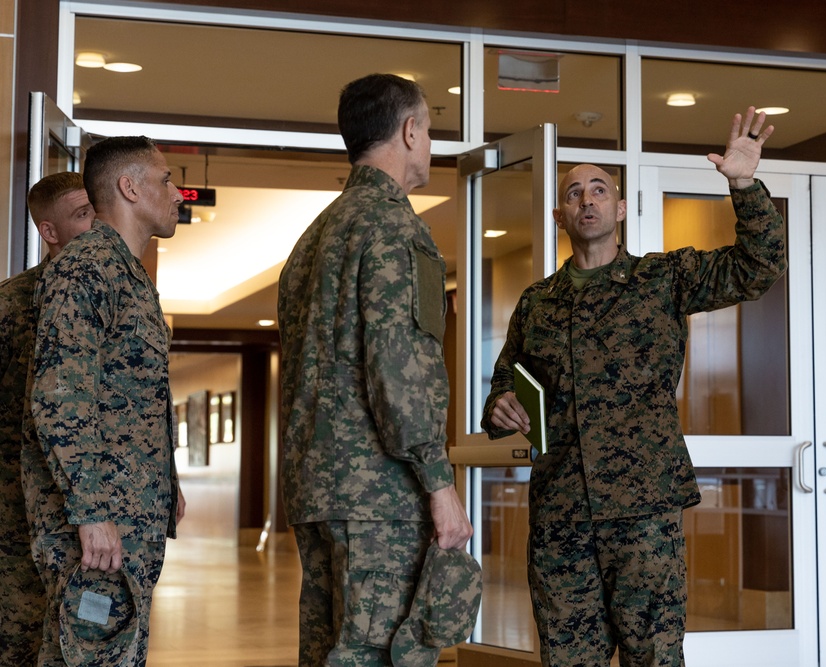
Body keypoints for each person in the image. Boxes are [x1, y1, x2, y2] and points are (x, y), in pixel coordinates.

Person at [482, 107, 787, 666]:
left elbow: (757, 266)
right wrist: (500, 406)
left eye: (599, 190)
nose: (587, 200)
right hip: (562, 518)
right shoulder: (538, 303)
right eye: (574, 194)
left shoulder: (662, 280)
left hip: (644, 514)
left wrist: (743, 184)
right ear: (559, 214)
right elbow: (508, 381)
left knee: (654, 658)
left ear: (620, 208)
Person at [278, 72, 474, 666]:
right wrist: (440, 484)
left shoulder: (315, 236)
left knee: (330, 650)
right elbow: (397, 367)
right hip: (379, 495)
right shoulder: (393, 226)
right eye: (431, 131)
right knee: (383, 652)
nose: (431, 146)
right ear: (410, 131)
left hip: (317, 487)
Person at [22, 136, 185, 666]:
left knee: (105, 653)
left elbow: (135, 399)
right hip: (95, 526)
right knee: (90, 655)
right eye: (165, 180)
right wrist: (92, 512)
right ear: (129, 187)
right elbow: (59, 394)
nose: (177, 193)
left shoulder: (127, 272)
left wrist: (168, 488)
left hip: (126, 516)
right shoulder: (86, 267)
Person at [0, 172, 95, 666]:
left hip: (91, 505)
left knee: (84, 635)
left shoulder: (120, 295)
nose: (98, 224)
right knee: (20, 634)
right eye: (83, 215)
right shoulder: (12, 303)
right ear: (49, 232)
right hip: (17, 505)